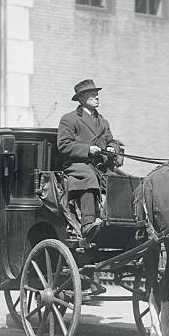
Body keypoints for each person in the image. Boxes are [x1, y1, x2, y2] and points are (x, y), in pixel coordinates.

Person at [57, 79, 122, 240]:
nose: (97, 97)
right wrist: (87, 150)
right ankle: (88, 224)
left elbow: (111, 140)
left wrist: (113, 147)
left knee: (122, 180)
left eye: (97, 94)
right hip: (77, 164)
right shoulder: (69, 119)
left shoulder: (103, 121)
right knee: (88, 177)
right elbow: (63, 145)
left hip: (100, 165)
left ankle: (119, 222)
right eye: (92, 95)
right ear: (81, 99)